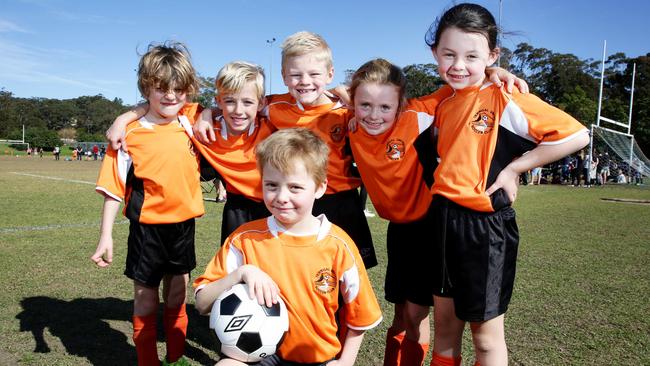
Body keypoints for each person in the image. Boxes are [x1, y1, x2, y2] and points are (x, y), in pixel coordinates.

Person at [423, 4, 590, 365]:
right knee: (445, 331)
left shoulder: (506, 96)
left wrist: (516, 169)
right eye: (449, 54)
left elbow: (577, 135)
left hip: (486, 229)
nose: (458, 64)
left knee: (486, 340)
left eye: (472, 56)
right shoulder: (440, 102)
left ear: (492, 55)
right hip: (440, 221)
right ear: (435, 52)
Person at [193, 128, 382, 365]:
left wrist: (345, 362)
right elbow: (202, 304)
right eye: (272, 185)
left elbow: (361, 315)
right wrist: (243, 273)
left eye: (295, 187)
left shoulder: (338, 245)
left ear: (320, 187)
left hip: (317, 358)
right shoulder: (245, 239)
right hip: (261, 358)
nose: (282, 196)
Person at [90, 41, 204, 366]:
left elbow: (230, 105)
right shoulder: (129, 134)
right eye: (161, 88)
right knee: (144, 295)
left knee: (179, 291)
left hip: (184, 226)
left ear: (189, 90)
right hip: (146, 230)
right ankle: (147, 361)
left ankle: (176, 356)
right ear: (146, 88)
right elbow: (114, 188)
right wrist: (106, 236)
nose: (171, 96)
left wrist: (125, 113)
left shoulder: (191, 121)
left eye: (179, 89)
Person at [107, 61, 276, 246]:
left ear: (261, 103)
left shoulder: (274, 126)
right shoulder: (204, 125)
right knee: (236, 268)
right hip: (237, 208)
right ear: (218, 101)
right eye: (229, 101)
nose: (238, 110)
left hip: (278, 205)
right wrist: (122, 120)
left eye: (247, 102)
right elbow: (160, 103)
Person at [347, 58, 439, 366]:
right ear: (353, 101)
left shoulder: (416, 117)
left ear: (400, 105)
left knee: (415, 313)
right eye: (365, 105)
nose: (374, 115)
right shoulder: (350, 122)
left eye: (385, 107)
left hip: (430, 226)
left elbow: (464, 91)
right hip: (398, 229)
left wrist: (494, 71)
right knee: (400, 311)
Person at [261, 31, 378, 269]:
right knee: (302, 270)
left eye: (314, 74)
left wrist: (353, 101)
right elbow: (236, 103)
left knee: (350, 270)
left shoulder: (345, 112)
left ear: (330, 74)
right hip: (297, 202)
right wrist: (209, 115)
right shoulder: (273, 107)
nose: (305, 81)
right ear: (284, 76)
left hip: (342, 201)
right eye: (295, 75)